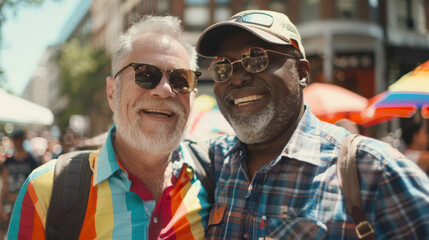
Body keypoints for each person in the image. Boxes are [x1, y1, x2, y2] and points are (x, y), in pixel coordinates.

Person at [196, 10, 429, 239]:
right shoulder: (212, 163)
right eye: (223, 67)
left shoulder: (376, 170)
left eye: (257, 58)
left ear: (301, 72)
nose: (237, 77)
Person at [8, 15, 211, 239]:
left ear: (192, 98)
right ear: (112, 92)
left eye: (181, 79)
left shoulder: (215, 174)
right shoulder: (44, 189)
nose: (164, 90)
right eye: (145, 75)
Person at [0, 130, 39, 238]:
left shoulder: (31, 160)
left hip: (24, 201)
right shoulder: (9, 161)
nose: (17, 142)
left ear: (23, 140)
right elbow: (5, 184)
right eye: (15, 139)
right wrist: (1, 203)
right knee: (5, 229)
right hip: (10, 199)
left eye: (19, 139)